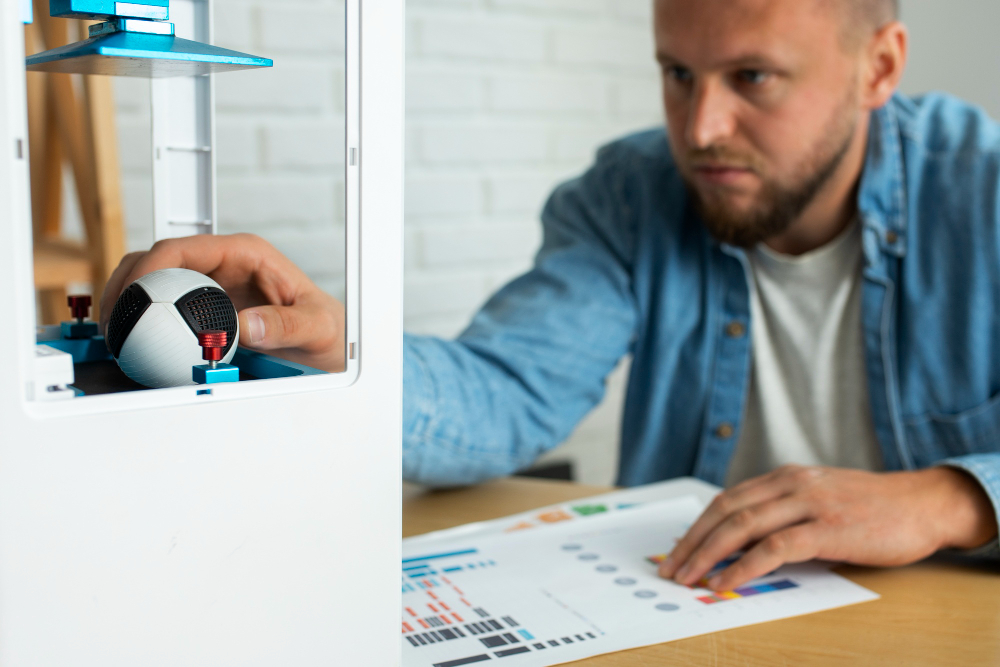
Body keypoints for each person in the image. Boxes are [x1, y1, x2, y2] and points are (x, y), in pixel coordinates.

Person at [101, 0, 1000, 593]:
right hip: (696, 612)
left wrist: (946, 499)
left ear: (878, 67)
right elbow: (509, 388)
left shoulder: (983, 190)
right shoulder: (628, 193)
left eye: (752, 78)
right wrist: (340, 345)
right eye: (677, 72)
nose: (700, 128)